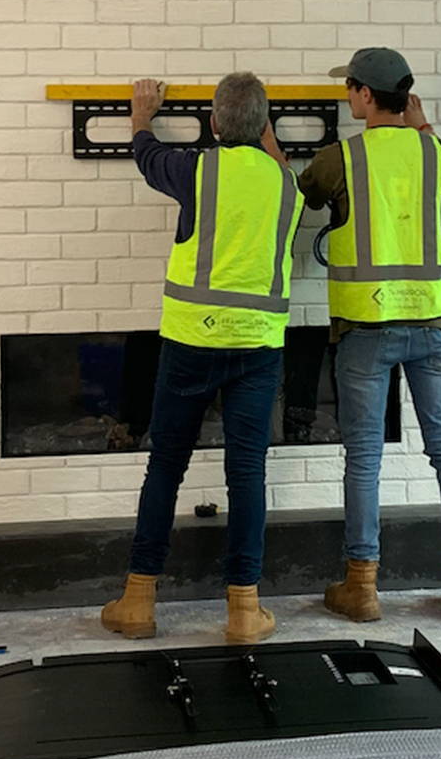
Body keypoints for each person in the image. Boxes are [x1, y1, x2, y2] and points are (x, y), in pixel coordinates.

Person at [101, 72, 303, 645]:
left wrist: (142, 114)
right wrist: (266, 139)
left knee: (166, 464)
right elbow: (269, 166)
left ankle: (139, 601)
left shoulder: (198, 169)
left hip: (191, 342)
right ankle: (244, 610)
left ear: (213, 125)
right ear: (266, 128)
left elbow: (147, 156)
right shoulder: (289, 186)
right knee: (247, 474)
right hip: (258, 347)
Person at [297, 47, 441, 621]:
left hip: (366, 330)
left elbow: (305, 191)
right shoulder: (433, 151)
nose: (346, 97)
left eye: (348, 88)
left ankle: (362, 586)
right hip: (431, 325)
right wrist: (422, 125)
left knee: (364, 458)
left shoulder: (343, 158)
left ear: (362, 94)